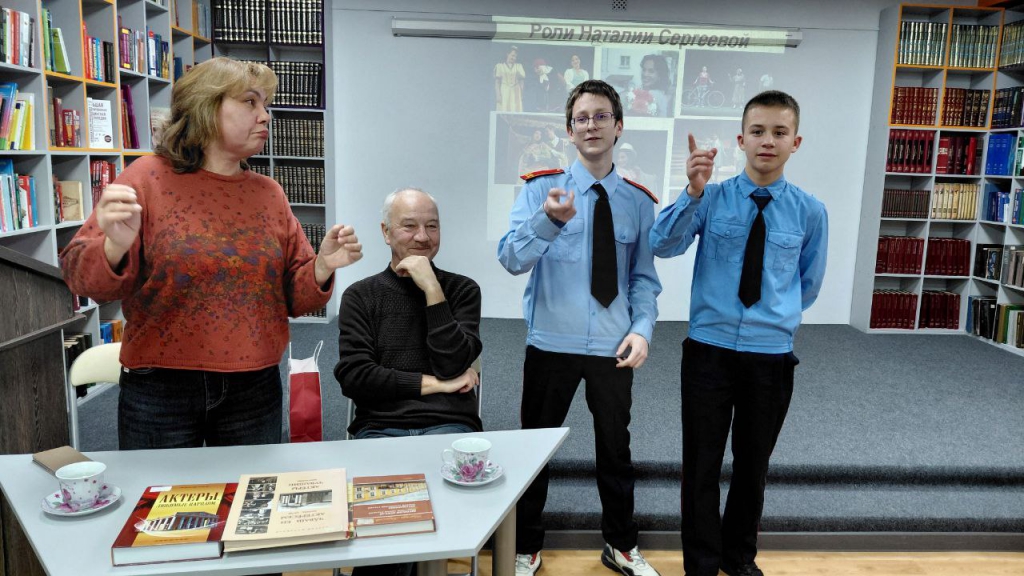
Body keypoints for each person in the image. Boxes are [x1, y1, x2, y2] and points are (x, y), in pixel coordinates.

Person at [60, 57, 364, 451]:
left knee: (249, 487)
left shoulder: (268, 194)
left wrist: (322, 266)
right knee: (161, 489)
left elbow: (294, 299)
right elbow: (84, 281)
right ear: (206, 107)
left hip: (253, 385)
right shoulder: (146, 178)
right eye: (250, 102)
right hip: (161, 386)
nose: (265, 116)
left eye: (266, 104)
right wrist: (114, 246)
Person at [648, 90, 828, 576]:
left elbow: (807, 285)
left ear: (795, 142)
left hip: (770, 357)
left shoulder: (810, 212)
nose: (767, 141)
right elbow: (662, 244)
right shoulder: (711, 197)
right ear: (740, 140)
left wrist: (774, 317)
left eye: (779, 132)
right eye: (757, 131)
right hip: (708, 352)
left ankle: (738, 557)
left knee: (753, 466)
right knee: (701, 465)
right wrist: (691, 191)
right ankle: (702, 565)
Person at [497, 79, 662, 576]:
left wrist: (643, 329)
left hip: (614, 345)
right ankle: (525, 546)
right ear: (569, 131)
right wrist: (548, 221)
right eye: (582, 118)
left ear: (619, 126)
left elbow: (643, 279)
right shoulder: (539, 189)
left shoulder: (638, 201)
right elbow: (511, 259)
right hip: (552, 343)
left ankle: (621, 545)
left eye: (601, 116)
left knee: (616, 449)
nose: (592, 125)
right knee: (535, 450)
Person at [335, 187, 481, 576]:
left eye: (432, 226)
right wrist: (438, 385)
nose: (422, 237)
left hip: (449, 426)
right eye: (409, 226)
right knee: (392, 526)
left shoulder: (462, 290)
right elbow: (355, 377)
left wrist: (432, 289)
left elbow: (453, 361)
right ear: (386, 232)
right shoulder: (360, 296)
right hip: (381, 429)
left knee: (425, 521)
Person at [495, 45, 526, 112]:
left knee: (515, 109)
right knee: (504, 109)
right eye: (512, 55)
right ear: (507, 54)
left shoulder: (519, 66)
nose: (514, 58)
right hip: (504, 91)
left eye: (515, 56)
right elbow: (497, 83)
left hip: (516, 91)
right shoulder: (500, 66)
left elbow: (521, 82)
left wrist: (522, 93)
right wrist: (498, 95)